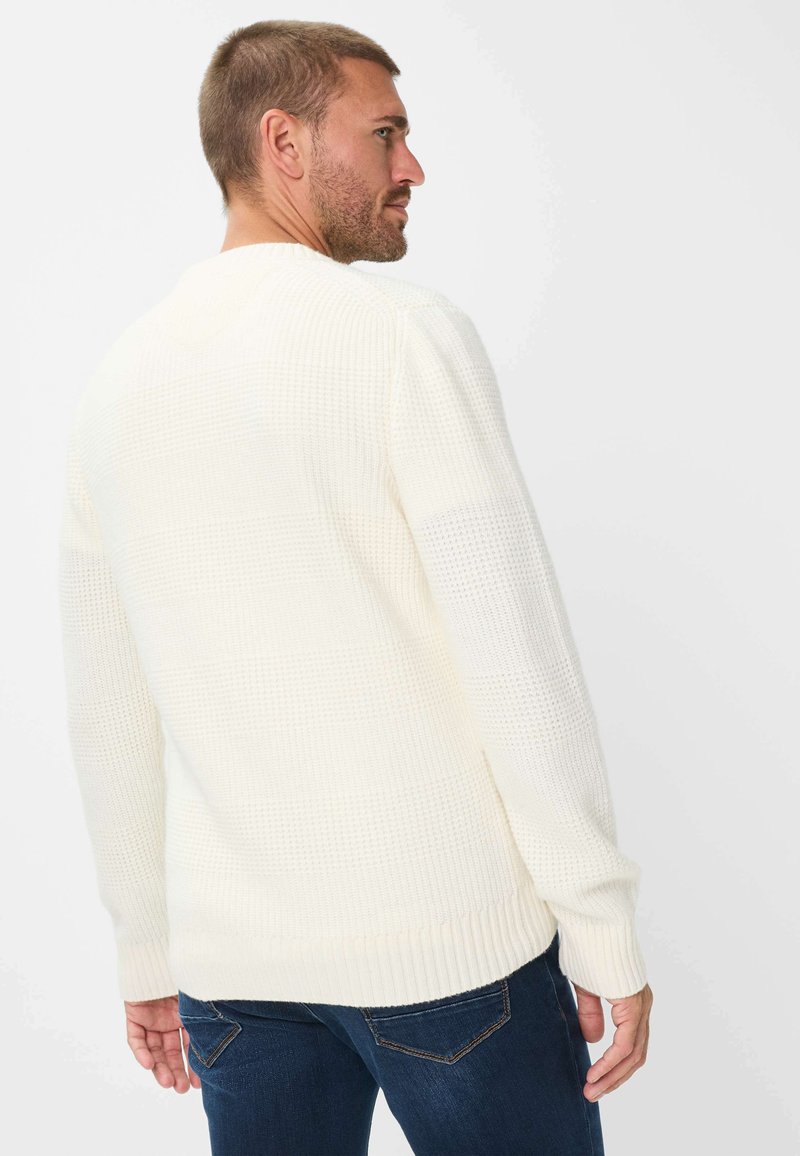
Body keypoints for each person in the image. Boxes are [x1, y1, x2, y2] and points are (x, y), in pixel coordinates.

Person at [58, 18, 653, 1155]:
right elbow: (514, 655)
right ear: (282, 142)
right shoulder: (401, 339)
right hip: (446, 955)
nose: (411, 166)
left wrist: (147, 950)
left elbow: (108, 708)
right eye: (385, 134)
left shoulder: (117, 385)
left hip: (235, 974)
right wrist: (600, 924)